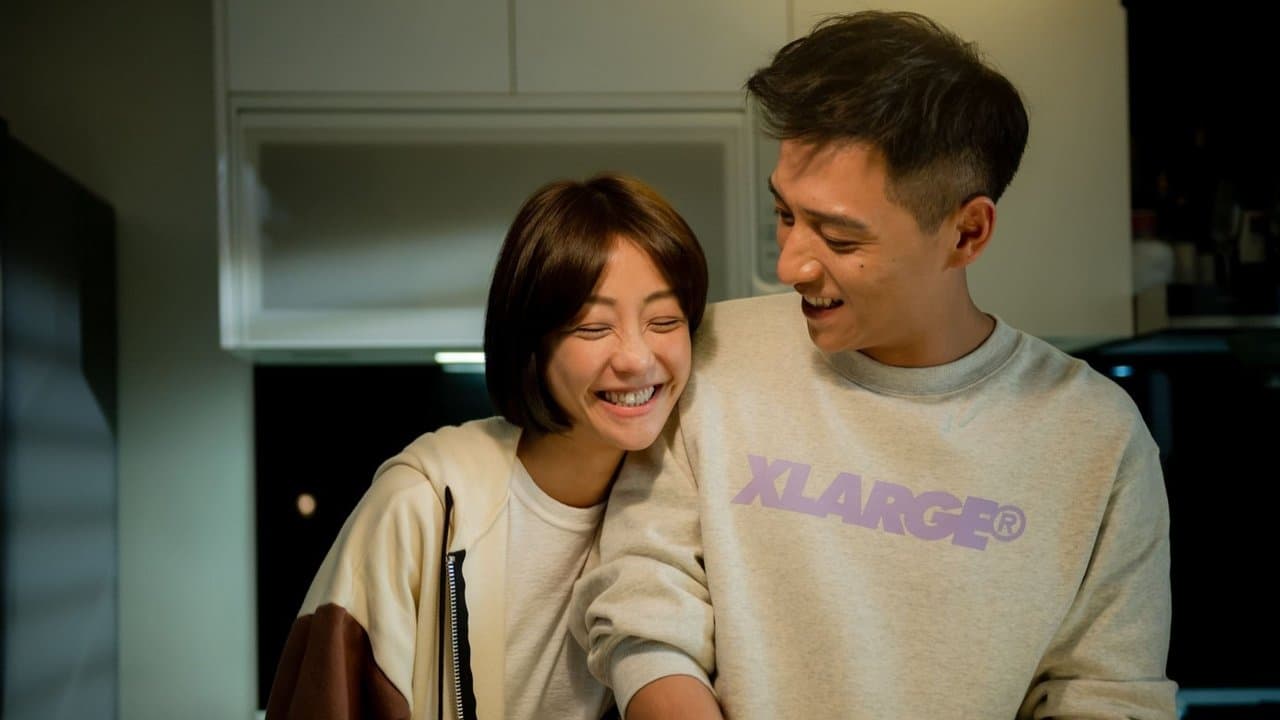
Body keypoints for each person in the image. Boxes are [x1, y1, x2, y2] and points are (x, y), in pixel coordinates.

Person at [572, 11, 1177, 720]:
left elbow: (1106, 694)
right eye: (785, 215)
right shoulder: (708, 356)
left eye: (838, 237)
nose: (791, 265)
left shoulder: (1095, 438)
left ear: (967, 232)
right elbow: (643, 605)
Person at [263, 171, 709, 720]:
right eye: (594, 328)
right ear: (531, 344)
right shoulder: (422, 507)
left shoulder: (678, 507)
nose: (637, 359)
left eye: (664, 321)